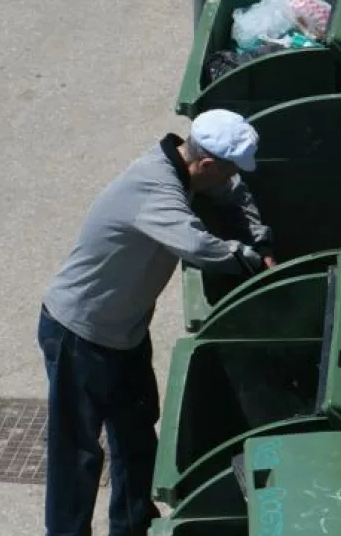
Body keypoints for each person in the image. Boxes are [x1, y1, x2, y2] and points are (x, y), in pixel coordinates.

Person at [35, 108, 275, 536]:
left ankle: (133, 528)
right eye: (227, 170)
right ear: (206, 165)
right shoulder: (155, 188)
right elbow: (197, 246)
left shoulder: (188, 170)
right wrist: (253, 262)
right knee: (78, 454)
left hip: (124, 333)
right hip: (80, 333)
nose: (230, 179)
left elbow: (237, 194)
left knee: (136, 439)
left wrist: (261, 238)